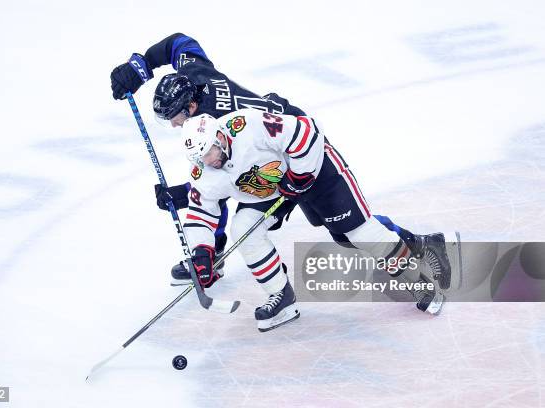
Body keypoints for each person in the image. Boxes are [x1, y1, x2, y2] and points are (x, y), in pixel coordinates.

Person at [110, 33, 452, 292]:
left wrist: (184, 195)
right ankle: (210, 255)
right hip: (268, 154)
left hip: (288, 153)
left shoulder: (223, 122)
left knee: (347, 232)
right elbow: (179, 43)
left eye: (175, 118)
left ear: (194, 108)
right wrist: (141, 65)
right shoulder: (196, 76)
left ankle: (418, 245)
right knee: (340, 231)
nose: (173, 126)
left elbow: (230, 185)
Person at [175, 110, 452, 331]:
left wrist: (299, 178)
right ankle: (281, 298)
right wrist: (201, 252)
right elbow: (201, 211)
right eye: (199, 158)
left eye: (209, 152)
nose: (207, 161)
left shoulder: (248, 125)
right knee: (243, 228)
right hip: (272, 188)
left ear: (221, 137)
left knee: (355, 234)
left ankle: (420, 278)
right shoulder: (204, 168)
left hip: (314, 170)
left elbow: (306, 133)